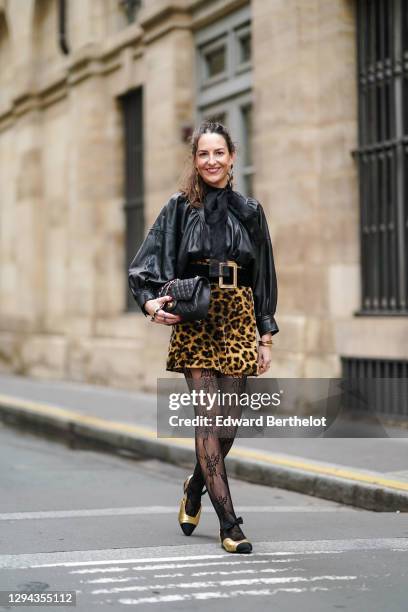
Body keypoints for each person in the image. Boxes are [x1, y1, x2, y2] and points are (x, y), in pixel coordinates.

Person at [128, 121, 279, 554]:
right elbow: (146, 262)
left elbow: (263, 273)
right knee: (209, 420)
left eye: (219, 153)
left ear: (232, 157)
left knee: (227, 426)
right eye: (203, 154)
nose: (211, 161)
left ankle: (194, 487)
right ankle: (230, 524)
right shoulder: (179, 207)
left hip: (236, 316)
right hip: (196, 316)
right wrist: (150, 304)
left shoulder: (250, 211)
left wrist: (264, 335)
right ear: (195, 161)